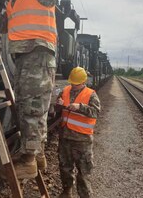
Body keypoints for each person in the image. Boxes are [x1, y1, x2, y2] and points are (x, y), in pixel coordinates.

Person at [0, 0, 72, 179]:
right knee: (29, 106)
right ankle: (38, 154)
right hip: (23, 59)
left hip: (38, 54)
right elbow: (2, 27)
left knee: (31, 107)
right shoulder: (13, 3)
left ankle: (29, 159)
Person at [56, 67, 101, 198]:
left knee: (83, 172)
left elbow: (95, 112)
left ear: (83, 82)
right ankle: (66, 192)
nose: (74, 85)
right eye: (72, 83)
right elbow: (59, 106)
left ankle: (85, 196)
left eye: (77, 83)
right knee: (65, 167)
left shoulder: (91, 94)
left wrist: (80, 107)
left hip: (82, 140)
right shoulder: (65, 90)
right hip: (65, 138)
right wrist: (59, 103)